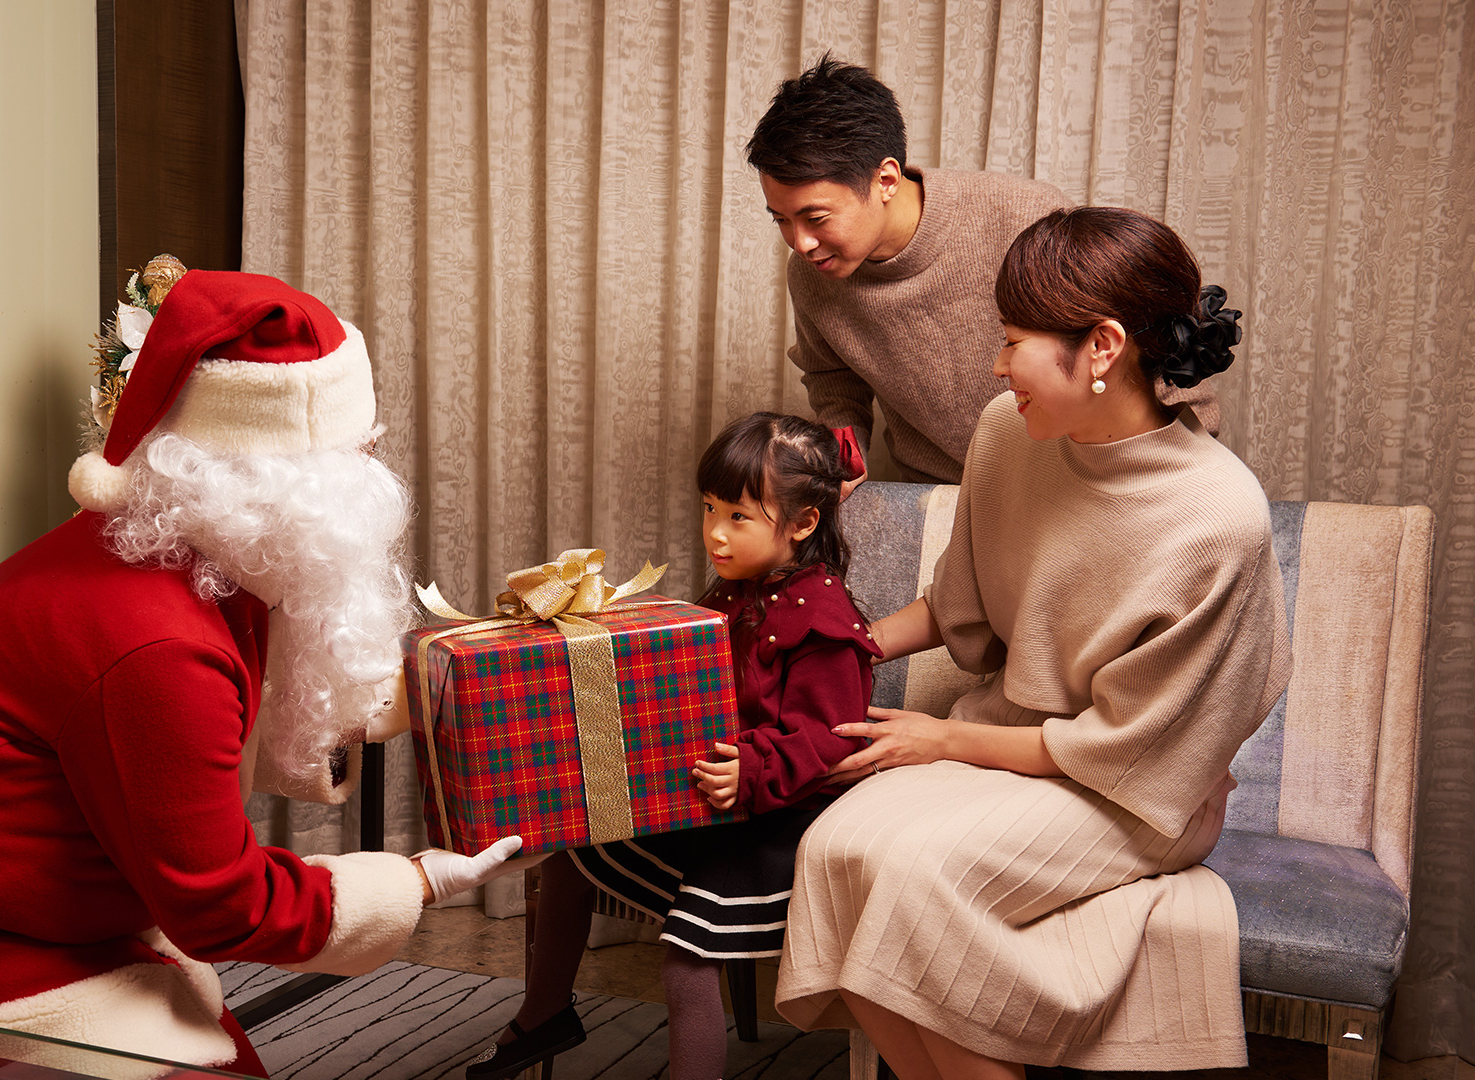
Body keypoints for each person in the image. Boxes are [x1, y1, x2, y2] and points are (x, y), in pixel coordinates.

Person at [0, 269, 521, 1075]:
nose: (378, 456)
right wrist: (414, 883)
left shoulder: (168, 548)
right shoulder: (160, 645)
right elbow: (221, 905)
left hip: (14, 903)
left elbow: (252, 703)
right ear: (294, 484)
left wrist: (457, 689)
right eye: (360, 447)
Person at [774, 207, 1289, 1077]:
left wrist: (940, 738)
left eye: (1014, 342)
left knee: (909, 875)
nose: (998, 365)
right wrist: (826, 647)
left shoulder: (1218, 518)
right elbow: (961, 600)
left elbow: (1142, 751)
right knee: (832, 850)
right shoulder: (1007, 433)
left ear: (1101, 348)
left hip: (1137, 793)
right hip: (1012, 743)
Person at [468, 414, 880, 1080]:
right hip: (717, 804)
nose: (715, 531)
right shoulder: (735, 591)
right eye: (710, 508)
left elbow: (826, 740)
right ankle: (544, 1015)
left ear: (801, 525)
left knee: (688, 952)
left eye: (739, 517)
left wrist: (753, 767)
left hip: (783, 824)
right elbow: (693, 684)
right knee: (573, 857)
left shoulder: (826, 621)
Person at [745, 56, 1219, 486]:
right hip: (944, 494)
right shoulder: (810, 273)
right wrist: (844, 457)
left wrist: (1193, 457)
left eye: (816, 218)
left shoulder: (1024, 217)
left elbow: (1150, 340)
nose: (800, 243)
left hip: (1077, 487)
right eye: (781, 219)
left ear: (886, 180)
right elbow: (832, 376)